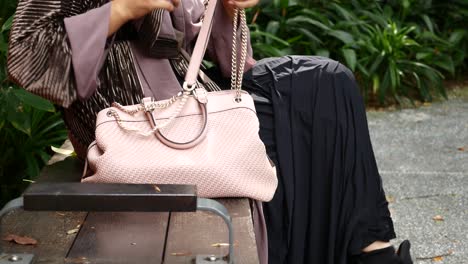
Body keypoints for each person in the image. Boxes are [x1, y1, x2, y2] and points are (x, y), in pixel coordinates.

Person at [8, 0, 413, 263]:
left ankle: (372, 252)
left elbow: (225, 62)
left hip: (195, 103)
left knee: (327, 82)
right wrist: (122, 8)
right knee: (293, 136)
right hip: (137, 130)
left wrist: (229, 8)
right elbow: (27, 54)